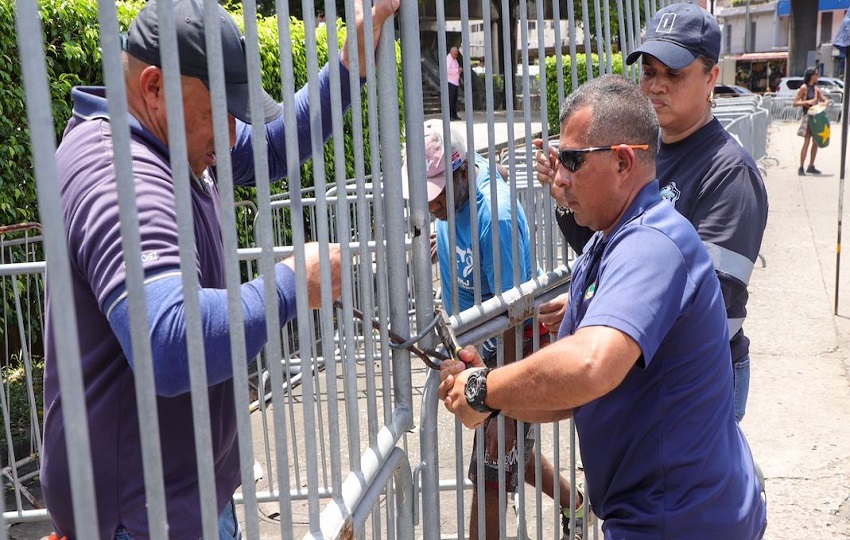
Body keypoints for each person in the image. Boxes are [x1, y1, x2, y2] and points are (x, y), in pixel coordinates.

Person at [41, 0, 399, 538]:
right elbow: (167, 337)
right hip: (142, 520)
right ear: (156, 87)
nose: (232, 133)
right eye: (220, 112)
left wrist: (349, 62)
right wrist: (290, 285)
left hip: (181, 502)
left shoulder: (169, 139)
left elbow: (276, 145)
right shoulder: (118, 170)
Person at [440, 74, 768, 539]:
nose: (558, 177)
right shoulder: (604, 244)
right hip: (660, 512)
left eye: (572, 161)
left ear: (622, 161)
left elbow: (589, 366)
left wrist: (484, 389)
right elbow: (570, 390)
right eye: (558, 160)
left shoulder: (652, 242)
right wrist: (494, 394)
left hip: (684, 521)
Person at [535, 2, 768, 422]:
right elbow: (612, 249)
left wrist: (599, 310)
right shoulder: (644, 151)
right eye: (649, 73)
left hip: (697, 379)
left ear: (712, 77)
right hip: (647, 368)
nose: (656, 86)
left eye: (674, 74)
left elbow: (711, 302)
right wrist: (569, 195)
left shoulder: (729, 173)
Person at [402, 120, 584, 540]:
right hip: (479, 345)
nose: (431, 206)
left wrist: (500, 391)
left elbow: (514, 314)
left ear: (462, 172)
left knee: (491, 470)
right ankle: (576, 504)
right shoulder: (455, 196)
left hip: (513, 345)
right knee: (515, 452)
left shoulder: (495, 216)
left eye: (438, 195)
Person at [794, 67, 829, 175]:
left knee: (816, 142)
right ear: (811, 75)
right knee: (807, 141)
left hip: (816, 117)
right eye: (816, 74)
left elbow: (825, 99)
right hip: (808, 116)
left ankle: (811, 165)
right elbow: (795, 103)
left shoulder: (816, 89)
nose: (818, 76)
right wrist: (807, 102)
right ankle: (801, 167)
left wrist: (824, 103)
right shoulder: (804, 88)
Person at [447, 46, 462, 120]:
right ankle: (450, 115)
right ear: (452, 52)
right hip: (450, 82)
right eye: (455, 54)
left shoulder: (454, 60)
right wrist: (457, 70)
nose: (456, 56)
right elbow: (448, 70)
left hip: (455, 82)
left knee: (454, 100)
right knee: (450, 99)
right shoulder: (448, 59)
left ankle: (454, 114)